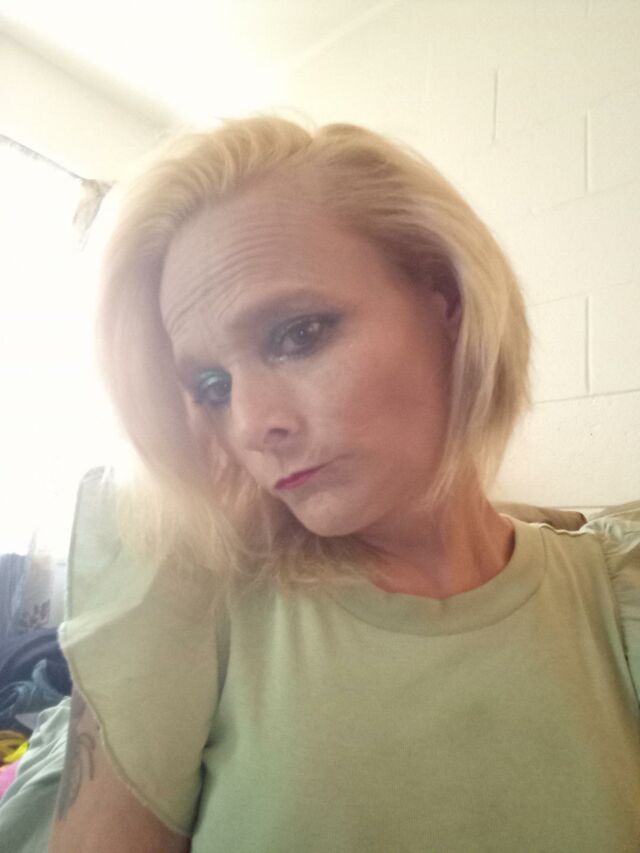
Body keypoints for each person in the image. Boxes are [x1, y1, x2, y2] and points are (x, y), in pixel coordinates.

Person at [46, 116, 639, 852]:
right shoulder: (197, 588)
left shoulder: (614, 595)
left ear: (445, 296)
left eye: (297, 334)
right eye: (211, 385)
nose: (252, 424)